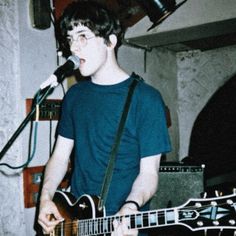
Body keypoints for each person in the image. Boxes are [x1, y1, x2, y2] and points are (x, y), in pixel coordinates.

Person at [38, 1, 171, 235]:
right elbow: (59, 157)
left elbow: (149, 173)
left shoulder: (146, 99)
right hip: (75, 221)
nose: (74, 48)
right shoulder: (75, 96)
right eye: (70, 39)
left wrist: (131, 206)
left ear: (111, 41)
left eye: (82, 36)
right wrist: (46, 197)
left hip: (123, 225)